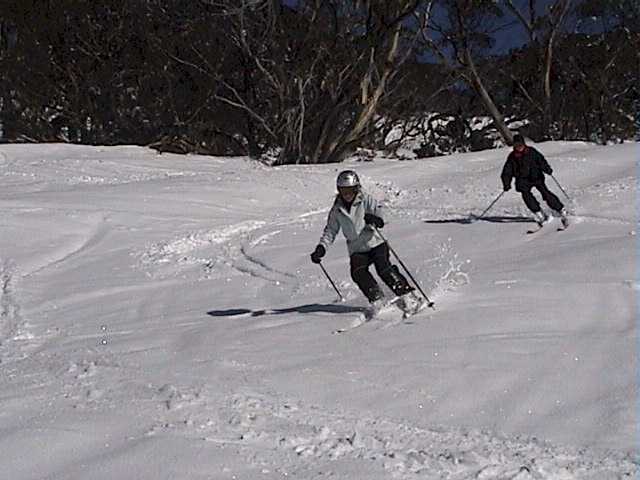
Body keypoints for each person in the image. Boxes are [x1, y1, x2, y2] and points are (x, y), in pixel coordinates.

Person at [310, 170, 423, 311]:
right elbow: (330, 231)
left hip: (375, 242)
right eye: (343, 190)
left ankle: (408, 295)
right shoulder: (337, 209)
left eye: (350, 190)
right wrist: (321, 248)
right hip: (356, 248)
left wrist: (376, 219)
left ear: (356, 188)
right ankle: (378, 299)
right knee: (358, 272)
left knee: (384, 269)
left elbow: (381, 214)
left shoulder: (365, 199)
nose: (347, 194)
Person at [501, 134, 568, 227]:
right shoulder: (512, 157)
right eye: (516, 146)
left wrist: (546, 169)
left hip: (536, 176)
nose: (519, 147)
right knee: (526, 196)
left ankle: (560, 209)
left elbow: (541, 161)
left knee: (545, 193)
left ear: (524, 144)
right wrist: (506, 183)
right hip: (522, 180)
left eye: (520, 145)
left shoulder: (532, 152)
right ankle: (539, 213)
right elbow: (507, 172)